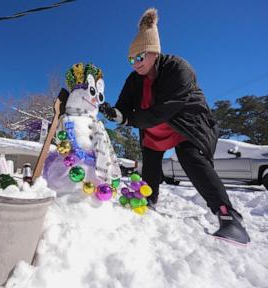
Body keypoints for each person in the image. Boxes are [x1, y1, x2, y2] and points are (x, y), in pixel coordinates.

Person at [99, 8, 250, 244]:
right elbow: (124, 107)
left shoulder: (178, 69)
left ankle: (229, 217)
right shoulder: (133, 79)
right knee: (150, 162)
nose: (135, 64)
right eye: (131, 59)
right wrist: (115, 113)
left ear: (153, 52)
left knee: (190, 157)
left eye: (139, 57)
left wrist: (128, 119)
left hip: (186, 124)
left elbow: (165, 110)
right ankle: (149, 199)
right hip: (153, 128)